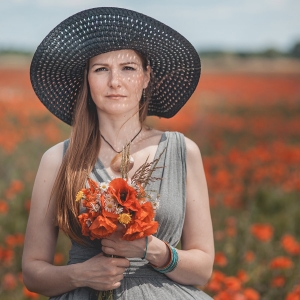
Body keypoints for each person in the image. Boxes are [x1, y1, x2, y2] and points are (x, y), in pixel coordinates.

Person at [22, 7, 214, 300]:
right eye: (101, 69)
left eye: (128, 68)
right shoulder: (57, 160)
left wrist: (152, 249)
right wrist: (80, 274)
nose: (115, 82)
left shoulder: (183, 152)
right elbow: (33, 273)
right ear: (86, 78)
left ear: (147, 76)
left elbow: (202, 270)